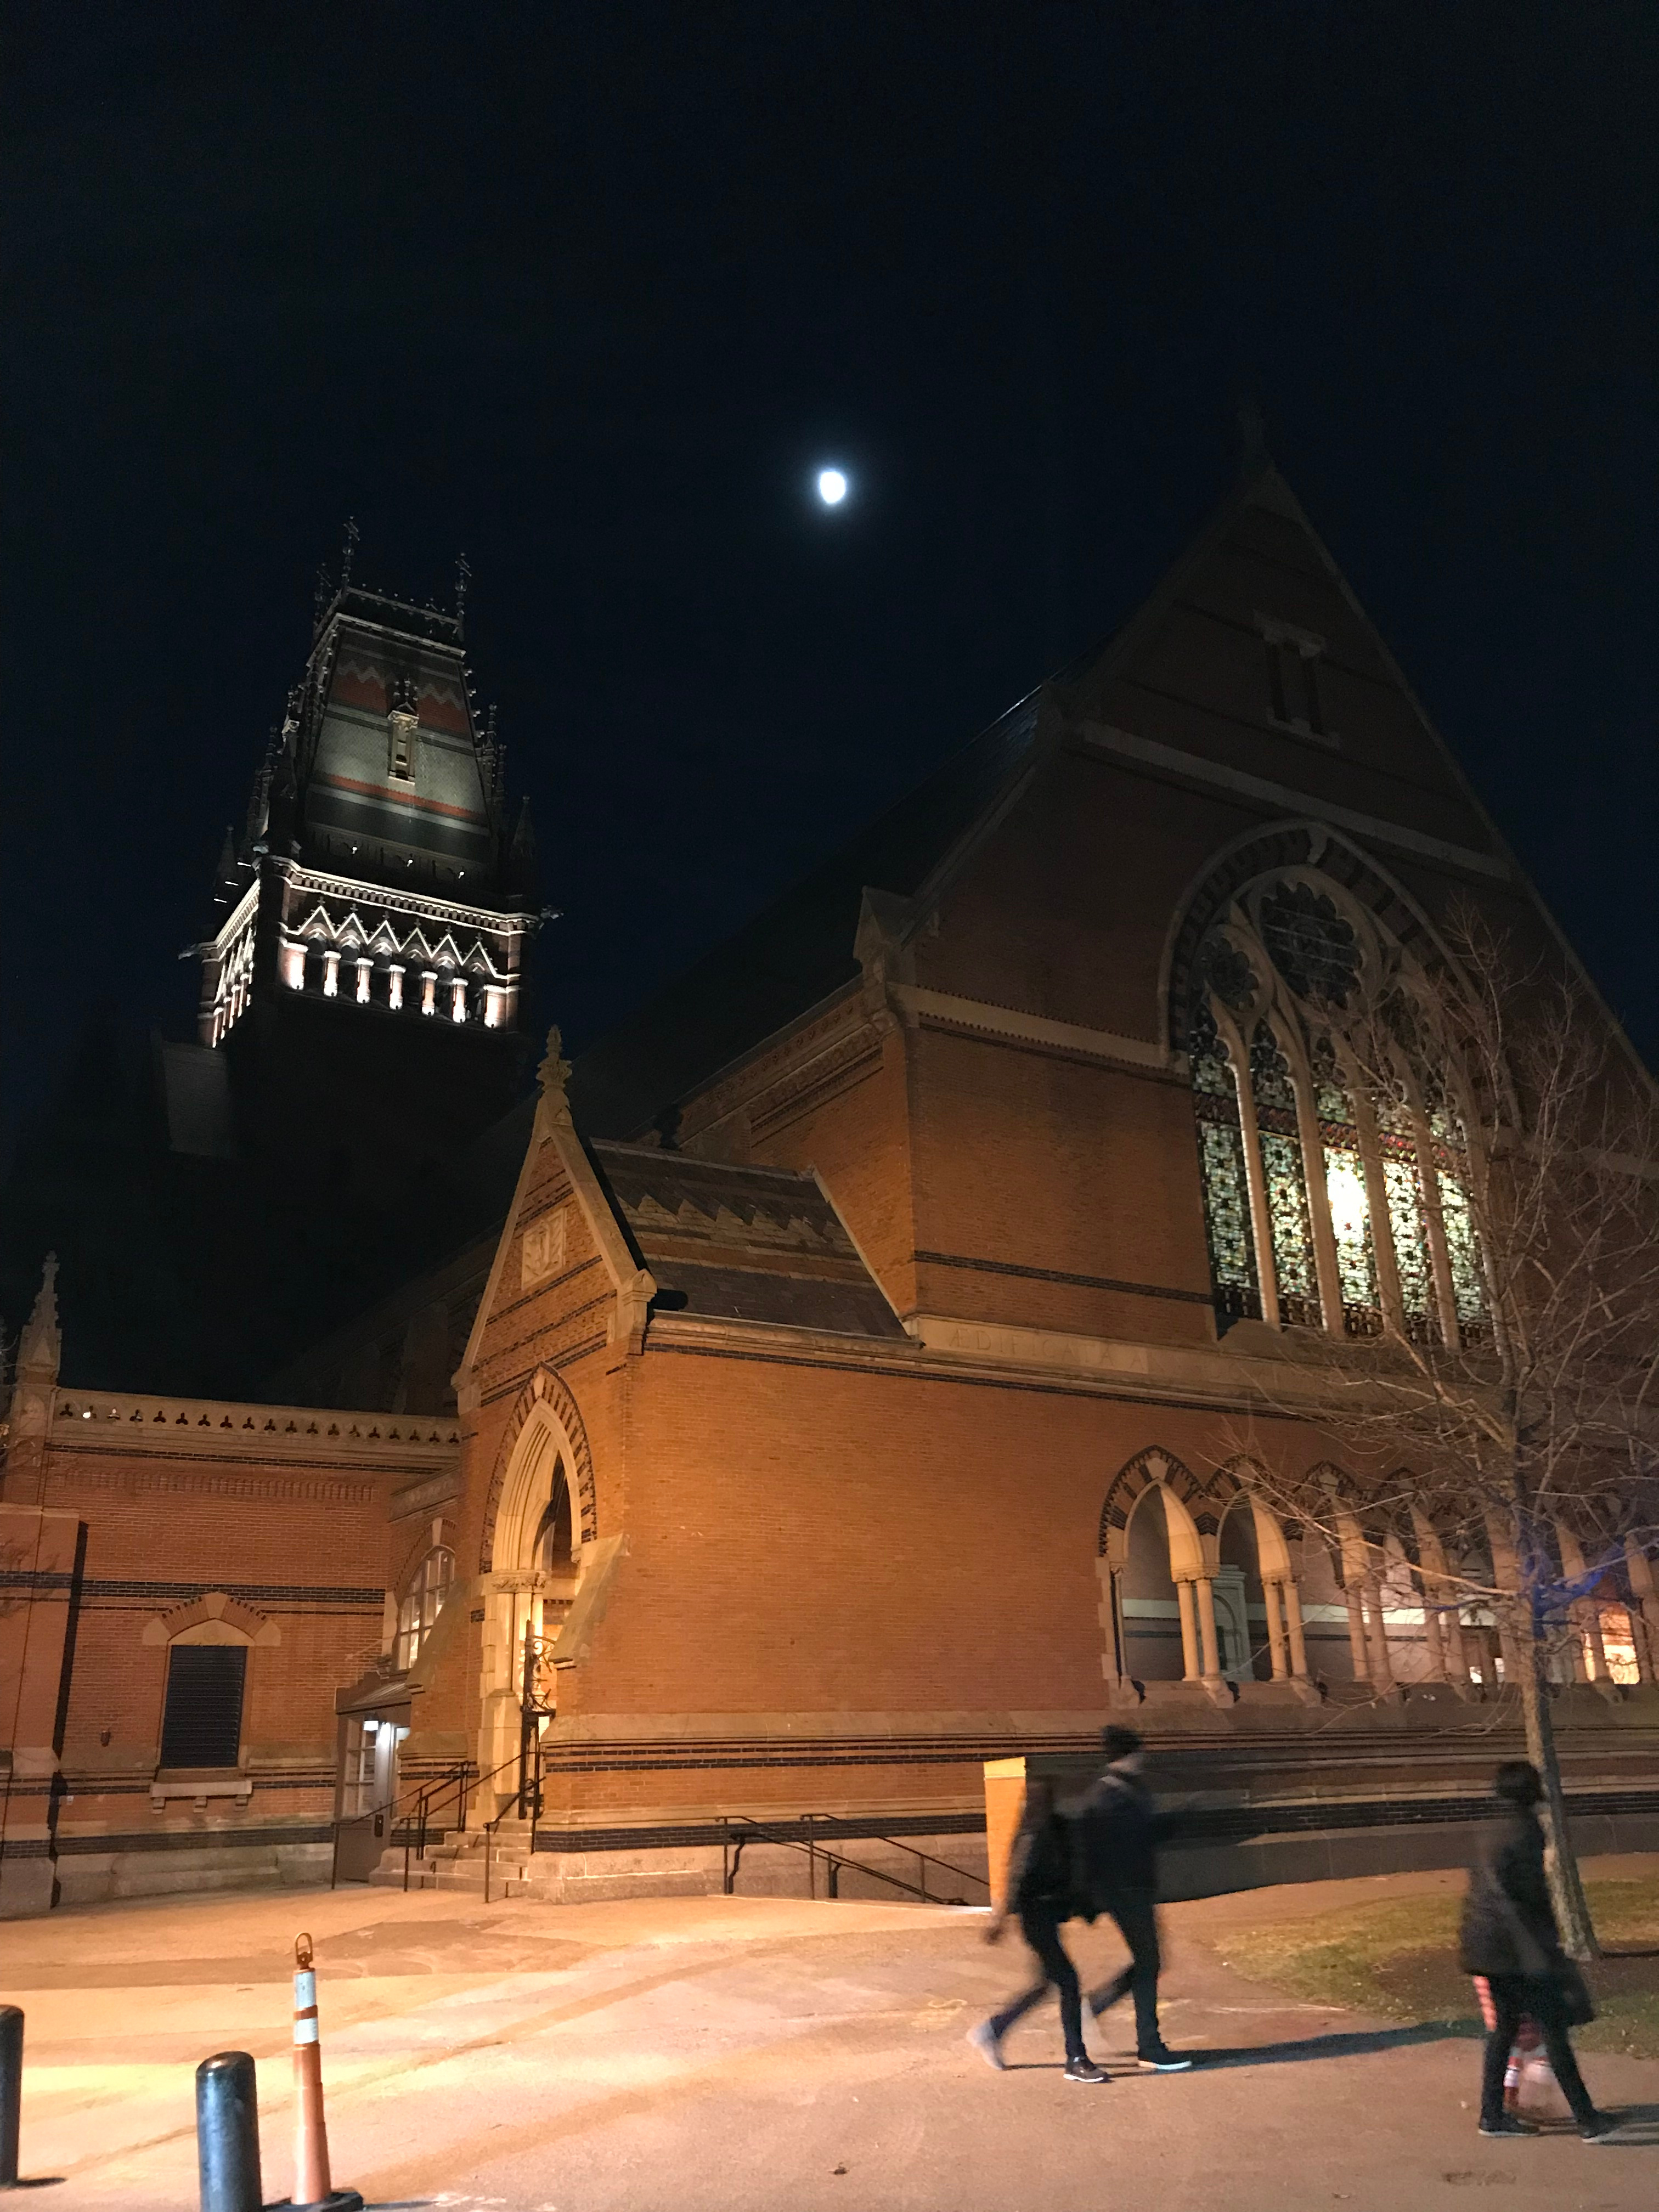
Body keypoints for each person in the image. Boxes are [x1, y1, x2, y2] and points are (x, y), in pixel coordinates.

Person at [1457, 1759, 1615, 2141]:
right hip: (1518, 1948)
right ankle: (1588, 2120)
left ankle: (1492, 2115)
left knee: (1504, 2030)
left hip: (1485, 1943)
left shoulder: (1488, 1826)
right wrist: (1549, 1945)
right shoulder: (1525, 1829)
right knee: (1553, 2030)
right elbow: (1530, 1896)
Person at [967, 1775, 1106, 2083]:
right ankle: (1076, 2057)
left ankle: (993, 2030)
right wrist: (999, 1920)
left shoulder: (1049, 1829)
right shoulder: (1033, 1836)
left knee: (1046, 1984)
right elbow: (1016, 1878)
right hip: (1037, 1921)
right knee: (1068, 1983)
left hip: (1045, 1918)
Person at [1072, 1724, 1193, 2072]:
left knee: (1148, 1961)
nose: (1144, 1759)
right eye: (1140, 1753)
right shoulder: (1111, 1795)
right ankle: (1149, 2046)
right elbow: (1123, 1844)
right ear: (1131, 1754)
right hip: (1126, 1890)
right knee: (1149, 1961)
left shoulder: (1116, 1791)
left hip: (1129, 1889)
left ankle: (1100, 2008)